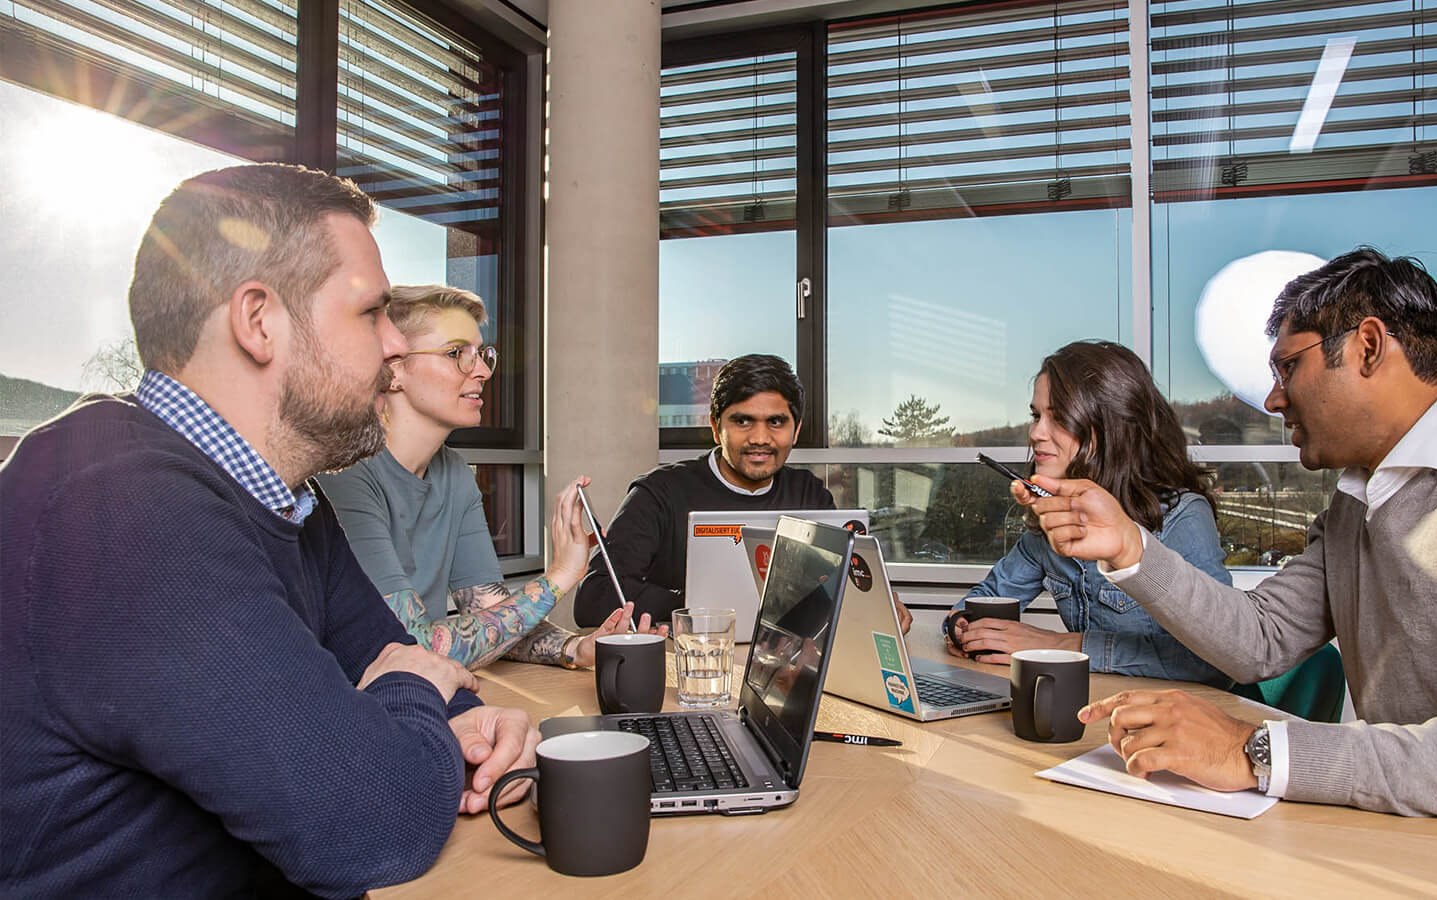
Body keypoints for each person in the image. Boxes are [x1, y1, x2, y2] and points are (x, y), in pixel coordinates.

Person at [1, 164, 540, 896]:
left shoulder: (286, 498)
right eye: (371, 314)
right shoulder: (118, 507)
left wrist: (462, 721)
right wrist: (409, 697)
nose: (393, 346)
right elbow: (371, 824)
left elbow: (416, 679)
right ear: (259, 321)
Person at [1024, 248, 1437, 874]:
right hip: (1417, 846)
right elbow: (1259, 642)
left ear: (1369, 347)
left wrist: (1257, 751)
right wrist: (1129, 547)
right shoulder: (1358, 503)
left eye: (1287, 367)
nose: (1273, 399)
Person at [320, 285, 663, 671]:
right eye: (456, 354)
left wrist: (576, 648)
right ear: (394, 369)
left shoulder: (453, 473)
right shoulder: (344, 475)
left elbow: (489, 613)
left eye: (482, 355)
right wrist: (559, 577)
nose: (482, 371)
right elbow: (409, 646)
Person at [948, 342, 1232, 688]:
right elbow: (989, 596)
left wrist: (1061, 646)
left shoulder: (1182, 518)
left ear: (1111, 427)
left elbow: (1213, 661)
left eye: (1059, 417)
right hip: (1097, 708)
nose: (1036, 433)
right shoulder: (1051, 521)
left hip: (1181, 721)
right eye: (1036, 415)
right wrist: (962, 625)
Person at [573, 354, 911, 632]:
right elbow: (594, 597)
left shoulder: (809, 494)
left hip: (784, 670)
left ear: (796, 431)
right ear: (715, 426)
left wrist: (876, 607)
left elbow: (836, 593)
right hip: (690, 668)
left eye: (776, 422)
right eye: (743, 421)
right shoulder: (659, 493)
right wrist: (699, 608)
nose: (760, 438)